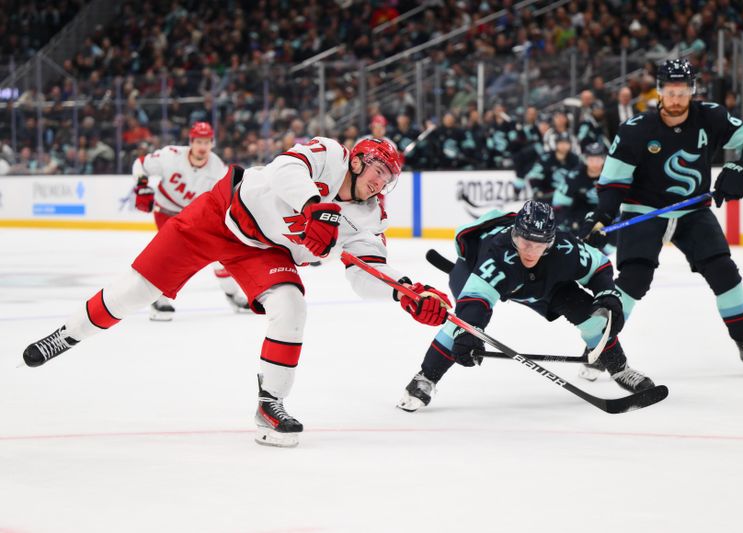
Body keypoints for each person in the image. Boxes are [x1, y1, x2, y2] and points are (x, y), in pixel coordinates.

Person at [23, 137, 452, 447]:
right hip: (218, 215)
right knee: (136, 292)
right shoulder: (330, 154)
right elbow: (286, 167)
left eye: (389, 177)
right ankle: (70, 333)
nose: (381, 182)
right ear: (358, 162)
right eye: (378, 170)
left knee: (291, 304)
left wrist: (404, 292)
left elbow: (366, 272)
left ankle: (270, 406)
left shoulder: (370, 217)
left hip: (263, 249)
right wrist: (313, 207)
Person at [581, 58, 743, 376]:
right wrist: (602, 214)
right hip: (644, 211)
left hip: (692, 210)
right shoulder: (636, 130)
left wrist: (742, 168)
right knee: (633, 281)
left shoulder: (711, 117)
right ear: (658, 91)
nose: (676, 99)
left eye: (682, 91)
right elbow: (614, 182)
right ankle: (600, 349)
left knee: (724, 272)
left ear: (692, 91)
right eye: (670, 92)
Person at [397, 201, 656, 412]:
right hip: (473, 270)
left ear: (551, 241)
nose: (530, 251)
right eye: (524, 241)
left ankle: (620, 369)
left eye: (538, 244)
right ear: (515, 234)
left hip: (543, 283)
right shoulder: (499, 254)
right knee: (461, 325)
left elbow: (599, 266)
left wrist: (607, 294)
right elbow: (476, 300)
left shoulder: (566, 248)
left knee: (592, 316)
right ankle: (425, 378)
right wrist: (469, 331)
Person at [132, 121, 250, 319]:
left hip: (194, 216)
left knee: (219, 254)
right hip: (166, 211)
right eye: (199, 142)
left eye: (207, 142)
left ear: (212, 143)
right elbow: (140, 164)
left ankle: (232, 295)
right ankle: (158, 299)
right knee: (168, 254)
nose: (202, 147)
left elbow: (223, 200)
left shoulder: (218, 168)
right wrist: (142, 186)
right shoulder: (170, 155)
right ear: (191, 142)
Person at [516, 132, 581, 206]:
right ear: (556, 144)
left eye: (566, 143)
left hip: (566, 194)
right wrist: (537, 190)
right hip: (547, 193)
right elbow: (535, 175)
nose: (564, 146)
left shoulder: (575, 159)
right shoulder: (546, 158)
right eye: (561, 143)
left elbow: (580, 176)